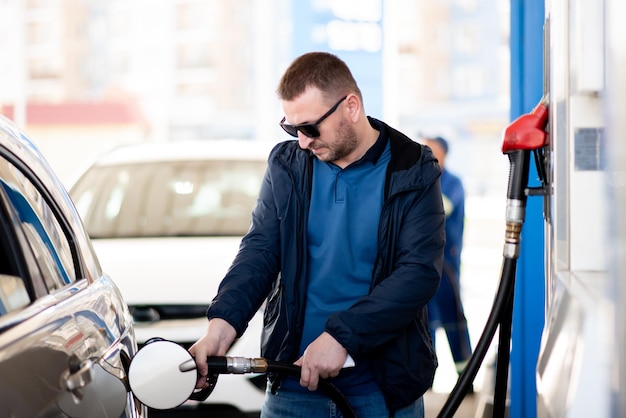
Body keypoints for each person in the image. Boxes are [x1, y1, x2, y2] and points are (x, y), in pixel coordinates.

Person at [190, 51, 445, 418]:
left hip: (382, 389)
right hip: (293, 387)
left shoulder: (412, 167)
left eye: (310, 128)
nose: (303, 141)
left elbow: (418, 272)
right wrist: (221, 326)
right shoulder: (287, 165)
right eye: (292, 129)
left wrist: (343, 336)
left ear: (351, 107)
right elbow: (260, 251)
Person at [422, 136, 473, 384]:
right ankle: (426, 380)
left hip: (446, 266)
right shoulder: (424, 179)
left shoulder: (451, 183)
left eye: (428, 148)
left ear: (440, 153)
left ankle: (466, 379)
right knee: (425, 322)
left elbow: (442, 207)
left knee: (453, 322)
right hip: (424, 264)